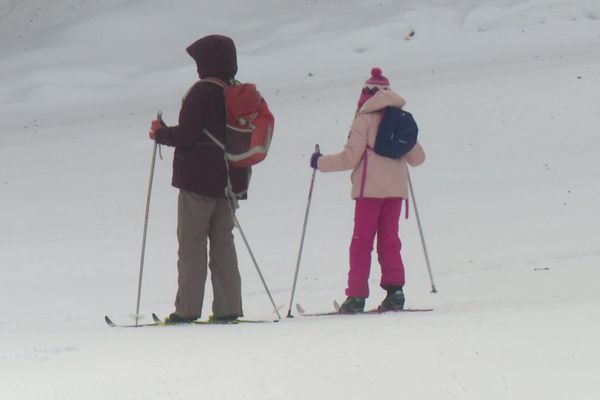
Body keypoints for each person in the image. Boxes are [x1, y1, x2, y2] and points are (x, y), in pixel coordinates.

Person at [148, 35, 250, 323]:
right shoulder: (237, 91)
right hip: (232, 180)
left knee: (192, 245)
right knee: (223, 244)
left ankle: (187, 310)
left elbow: (189, 135)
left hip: (198, 180)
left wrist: (161, 133)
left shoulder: (202, 92)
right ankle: (228, 308)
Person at [310, 67, 426, 313]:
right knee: (390, 241)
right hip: (396, 192)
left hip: (369, 193)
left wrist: (319, 162)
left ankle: (356, 296)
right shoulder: (400, 118)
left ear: (366, 94)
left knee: (361, 243)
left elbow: (349, 159)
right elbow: (418, 158)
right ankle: (395, 293)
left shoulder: (363, 119)